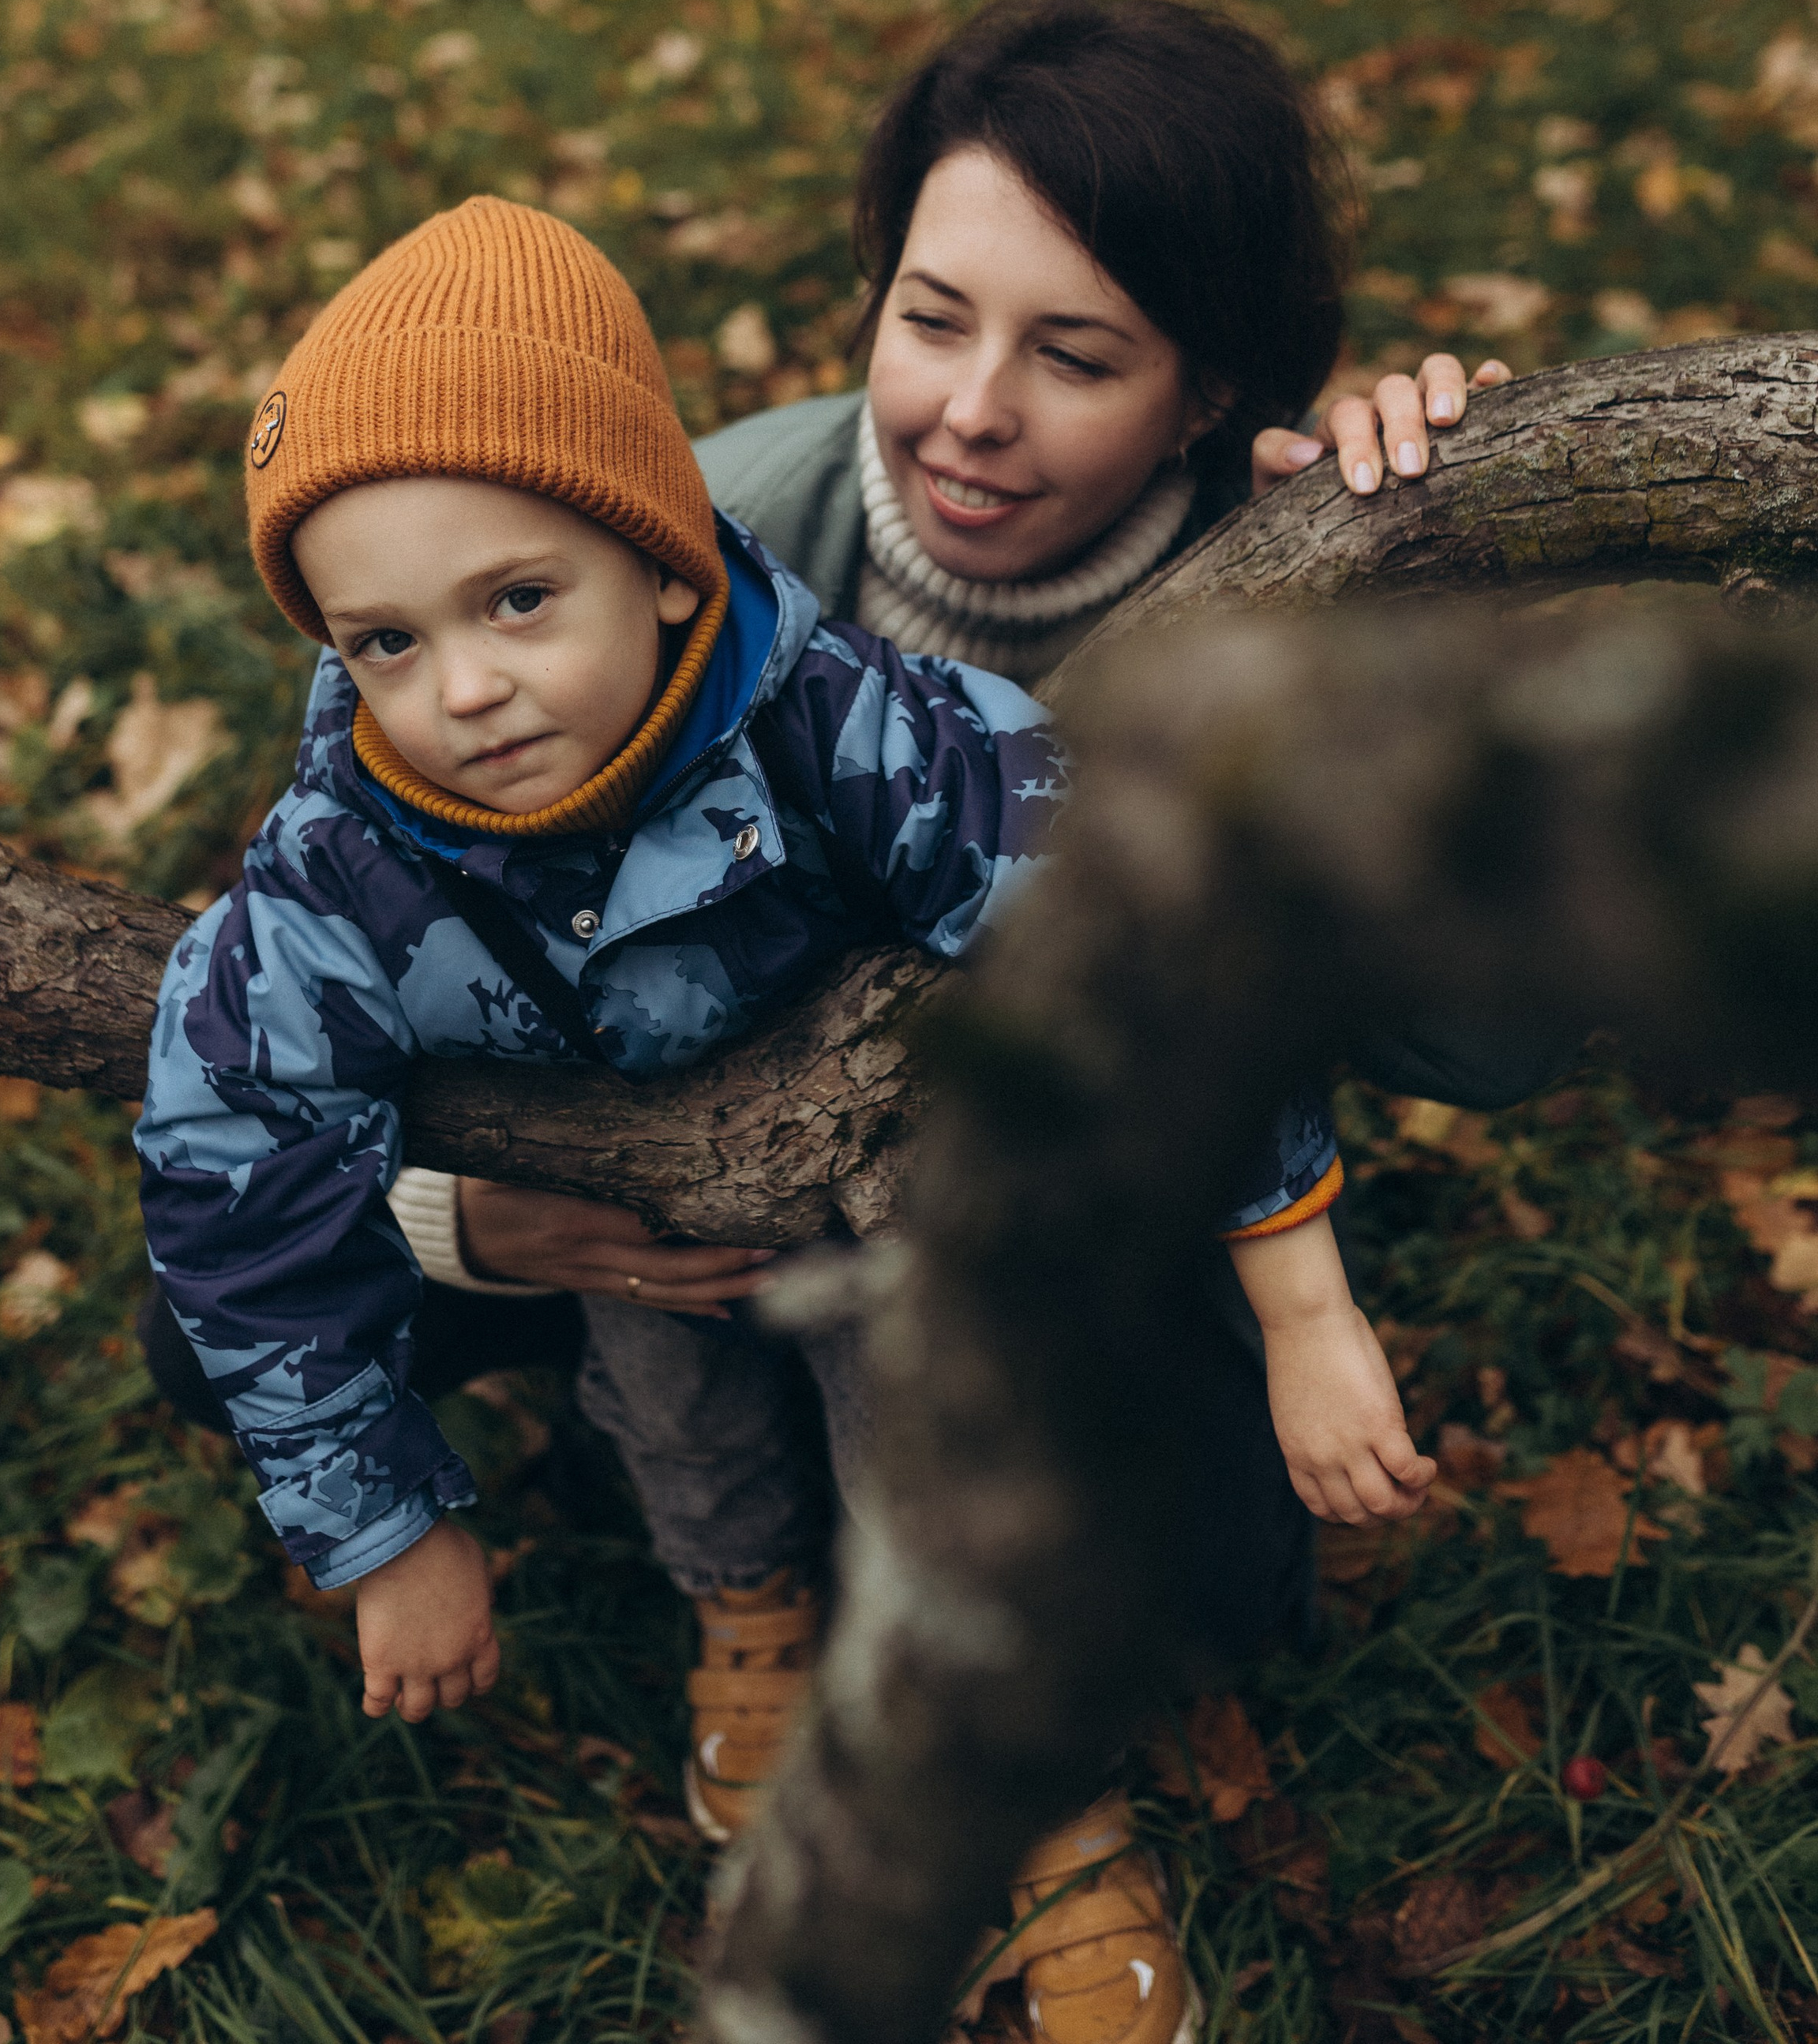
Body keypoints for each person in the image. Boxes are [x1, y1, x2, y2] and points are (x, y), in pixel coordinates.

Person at [377, 0, 1568, 2042]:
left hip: (1044, 1237)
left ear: (1206, 395)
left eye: (1076, 354)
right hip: (663, 1170)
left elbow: (1489, 1048)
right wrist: (493, 1224)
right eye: (932, 316)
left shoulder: (1292, 599)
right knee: (258, 1277)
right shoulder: (700, 545)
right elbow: (369, 946)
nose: (970, 412)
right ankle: (721, 1552)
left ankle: (979, 1699)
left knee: (1213, 1594)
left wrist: (1432, 672)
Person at [135, 186, 1411, 2044]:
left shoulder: (848, 726)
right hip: (621, 1248)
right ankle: (746, 1621)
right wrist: (386, 1525)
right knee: (673, 1420)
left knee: (957, 1450)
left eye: (513, 603)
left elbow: (1145, 948)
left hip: (898, 1222)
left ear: (662, 561)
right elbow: (234, 1157)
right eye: (384, 645)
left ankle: (1025, 1767)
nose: (464, 689)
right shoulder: (343, 865)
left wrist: (1301, 1308)